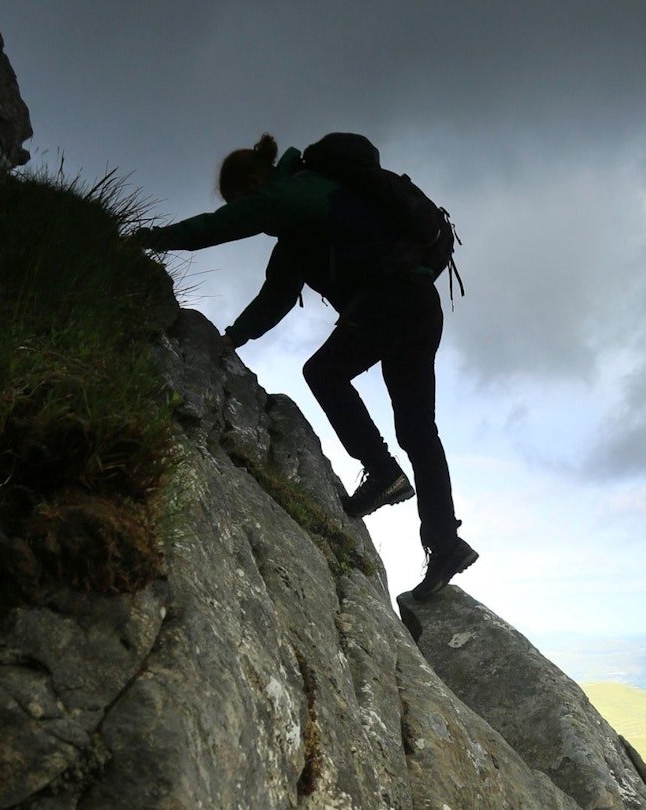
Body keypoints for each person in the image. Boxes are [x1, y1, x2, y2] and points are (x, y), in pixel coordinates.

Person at [133, 133, 476, 600]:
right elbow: (275, 296)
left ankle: (382, 473)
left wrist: (148, 238)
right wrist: (232, 339)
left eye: (243, 198)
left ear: (254, 181)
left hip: (390, 302)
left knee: (323, 373)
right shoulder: (301, 226)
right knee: (418, 431)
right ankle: (445, 543)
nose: (251, 211)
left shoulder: (289, 192)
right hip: (417, 302)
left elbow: (218, 227)